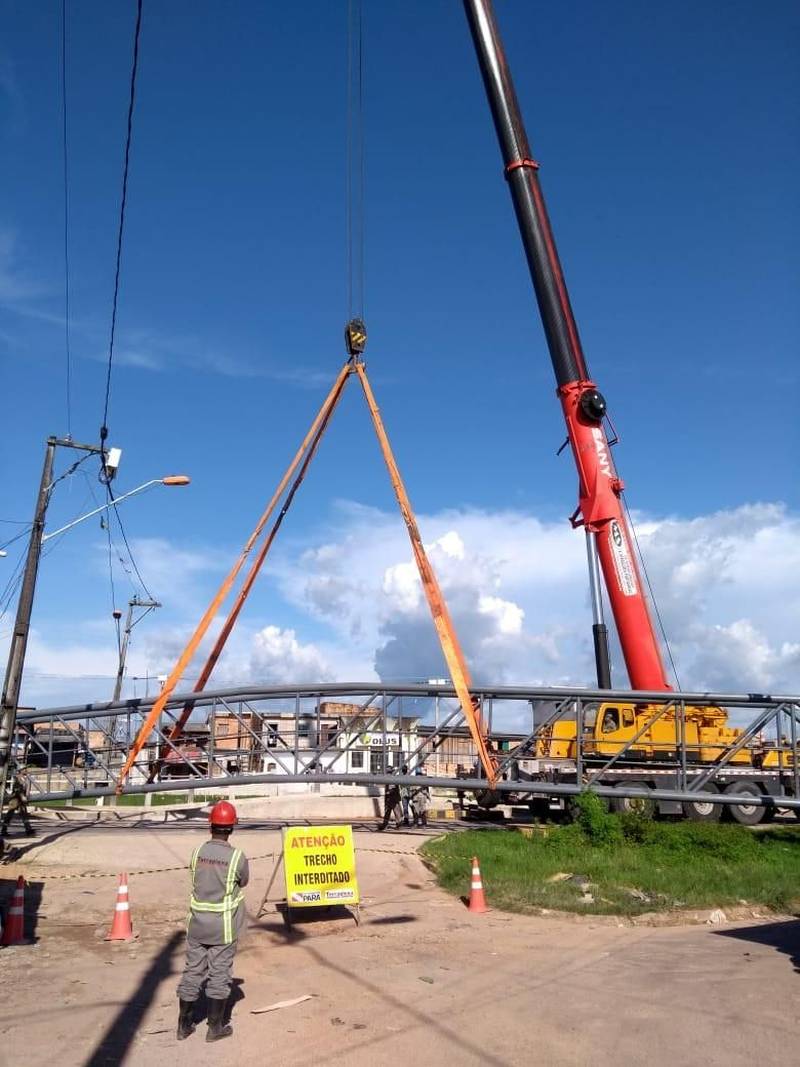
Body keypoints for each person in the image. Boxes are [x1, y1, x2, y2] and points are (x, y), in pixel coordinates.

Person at [176, 800, 249, 1043]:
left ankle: (184, 1026)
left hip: (197, 925)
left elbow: (195, 878)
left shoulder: (197, 852)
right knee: (219, 974)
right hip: (223, 928)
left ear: (210, 825)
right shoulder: (237, 857)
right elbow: (243, 881)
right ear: (232, 828)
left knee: (192, 971)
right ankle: (215, 1028)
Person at [1, 763, 34, 838]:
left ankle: (28, 830)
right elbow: (17, 789)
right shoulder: (17, 778)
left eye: (26, 768)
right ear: (20, 770)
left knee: (24, 814)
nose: (26, 770)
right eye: (24, 769)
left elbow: (26, 789)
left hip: (21, 800)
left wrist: (26, 796)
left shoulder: (25, 778)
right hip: (15, 799)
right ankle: (3, 830)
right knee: (9, 815)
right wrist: (23, 796)